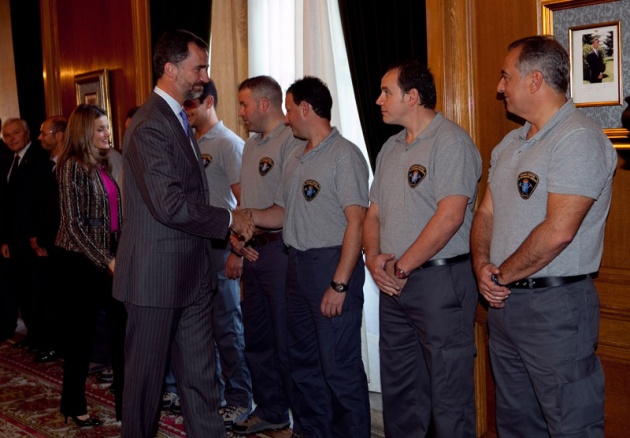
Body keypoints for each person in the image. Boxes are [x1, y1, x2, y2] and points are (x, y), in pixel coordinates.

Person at [470, 35, 617, 437]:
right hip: (505, 306)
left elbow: (558, 232)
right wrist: (482, 264)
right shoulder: (509, 143)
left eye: (506, 76)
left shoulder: (578, 138)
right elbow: (485, 213)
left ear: (534, 81)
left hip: (556, 309)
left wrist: (500, 275)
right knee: (517, 424)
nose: (500, 87)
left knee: (572, 425)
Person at [112, 29, 254, 438]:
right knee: (144, 390)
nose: (205, 76)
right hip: (154, 280)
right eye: (199, 67)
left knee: (201, 383)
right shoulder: (150, 123)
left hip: (191, 276)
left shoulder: (178, 117)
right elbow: (169, 204)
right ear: (171, 69)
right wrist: (228, 221)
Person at [245, 76, 371, 438]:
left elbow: (356, 222)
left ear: (306, 109)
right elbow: (281, 213)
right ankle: (314, 431)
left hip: (330, 266)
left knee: (338, 366)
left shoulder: (344, 155)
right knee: (302, 361)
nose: (286, 119)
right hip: (296, 267)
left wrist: (340, 282)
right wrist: (246, 218)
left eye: (288, 109)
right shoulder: (297, 156)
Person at [363, 60, 481, 437]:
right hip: (394, 283)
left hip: (439, 280)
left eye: (387, 92)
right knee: (401, 391)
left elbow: (450, 217)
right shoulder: (389, 149)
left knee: (450, 392)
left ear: (412, 97)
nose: (379, 100)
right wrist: (373, 261)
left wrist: (400, 269)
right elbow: (372, 215)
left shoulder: (451, 142)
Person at [229, 75, 304, 437]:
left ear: (263, 104)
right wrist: (237, 238)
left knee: (286, 341)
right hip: (251, 253)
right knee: (256, 339)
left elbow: (287, 206)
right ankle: (272, 410)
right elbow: (243, 204)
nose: (240, 112)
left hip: (279, 253)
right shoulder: (249, 146)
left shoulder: (292, 140)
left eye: (243, 104)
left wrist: (247, 225)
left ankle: (302, 417)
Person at [184, 79, 253, 426]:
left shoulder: (229, 144)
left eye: (192, 105)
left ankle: (241, 398)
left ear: (209, 102)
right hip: (195, 247)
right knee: (201, 330)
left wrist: (238, 252)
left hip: (223, 247)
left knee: (228, 328)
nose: (187, 111)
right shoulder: (189, 141)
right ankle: (215, 396)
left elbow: (244, 205)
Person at [55, 104, 127, 426]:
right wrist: (107, 260)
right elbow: (73, 226)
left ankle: (128, 407)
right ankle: (73, 404)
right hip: (78, 260)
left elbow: (114, 216)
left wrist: (120, 252)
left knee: (123, 332)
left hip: (107, 254)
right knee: (80, 339)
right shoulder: (72, 166)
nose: (106, 134)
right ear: (85, 132)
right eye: (100, 129)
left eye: (107, 127)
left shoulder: (103, 164)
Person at [0, 118, 52, 350]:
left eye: (15, 133)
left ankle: (46, 340)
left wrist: (37, 235)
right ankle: (34, 335)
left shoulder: (39, 158)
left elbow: (42, 203)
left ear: (27, 134)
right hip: (16, 240)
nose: (11, 138)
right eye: (7, 135)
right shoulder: (12, 160)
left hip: (33, 239)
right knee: (23, 291)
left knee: (38, 292)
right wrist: (5, 240)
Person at [31, 115, 68, 363]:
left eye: (44, 133)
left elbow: (62, 211)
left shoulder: (69, 165)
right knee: (51, 297)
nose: (40, 137)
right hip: (48, 243)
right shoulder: (47, 164)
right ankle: (55, 344)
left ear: (59, 135)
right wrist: (37, 238)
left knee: (63, 300)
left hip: (64, 243)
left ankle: (64, 347)